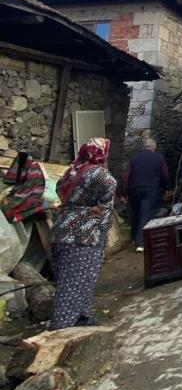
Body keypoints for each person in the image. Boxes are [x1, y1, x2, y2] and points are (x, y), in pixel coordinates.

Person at [50, 137, 116, 330]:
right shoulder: (97, 172)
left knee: (75, 282)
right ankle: (60, 331)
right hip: (82, 236)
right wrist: (100, 207)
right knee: (71, 287)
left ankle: (81, 318)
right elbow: (110, 184)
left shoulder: (71, 171)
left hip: (60, 232)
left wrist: (76, 206)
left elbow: (59, 191)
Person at [123, 136, 169, 252]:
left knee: (136, 212)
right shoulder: (159, 158)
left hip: (135, 189)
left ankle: (134, 237)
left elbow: (126, 176)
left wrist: (124, 191)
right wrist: (166, 188)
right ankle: (141, 243)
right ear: (154, 148)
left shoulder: (134, 158)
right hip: (151, 189)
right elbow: (165, 175)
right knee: (145, 214)